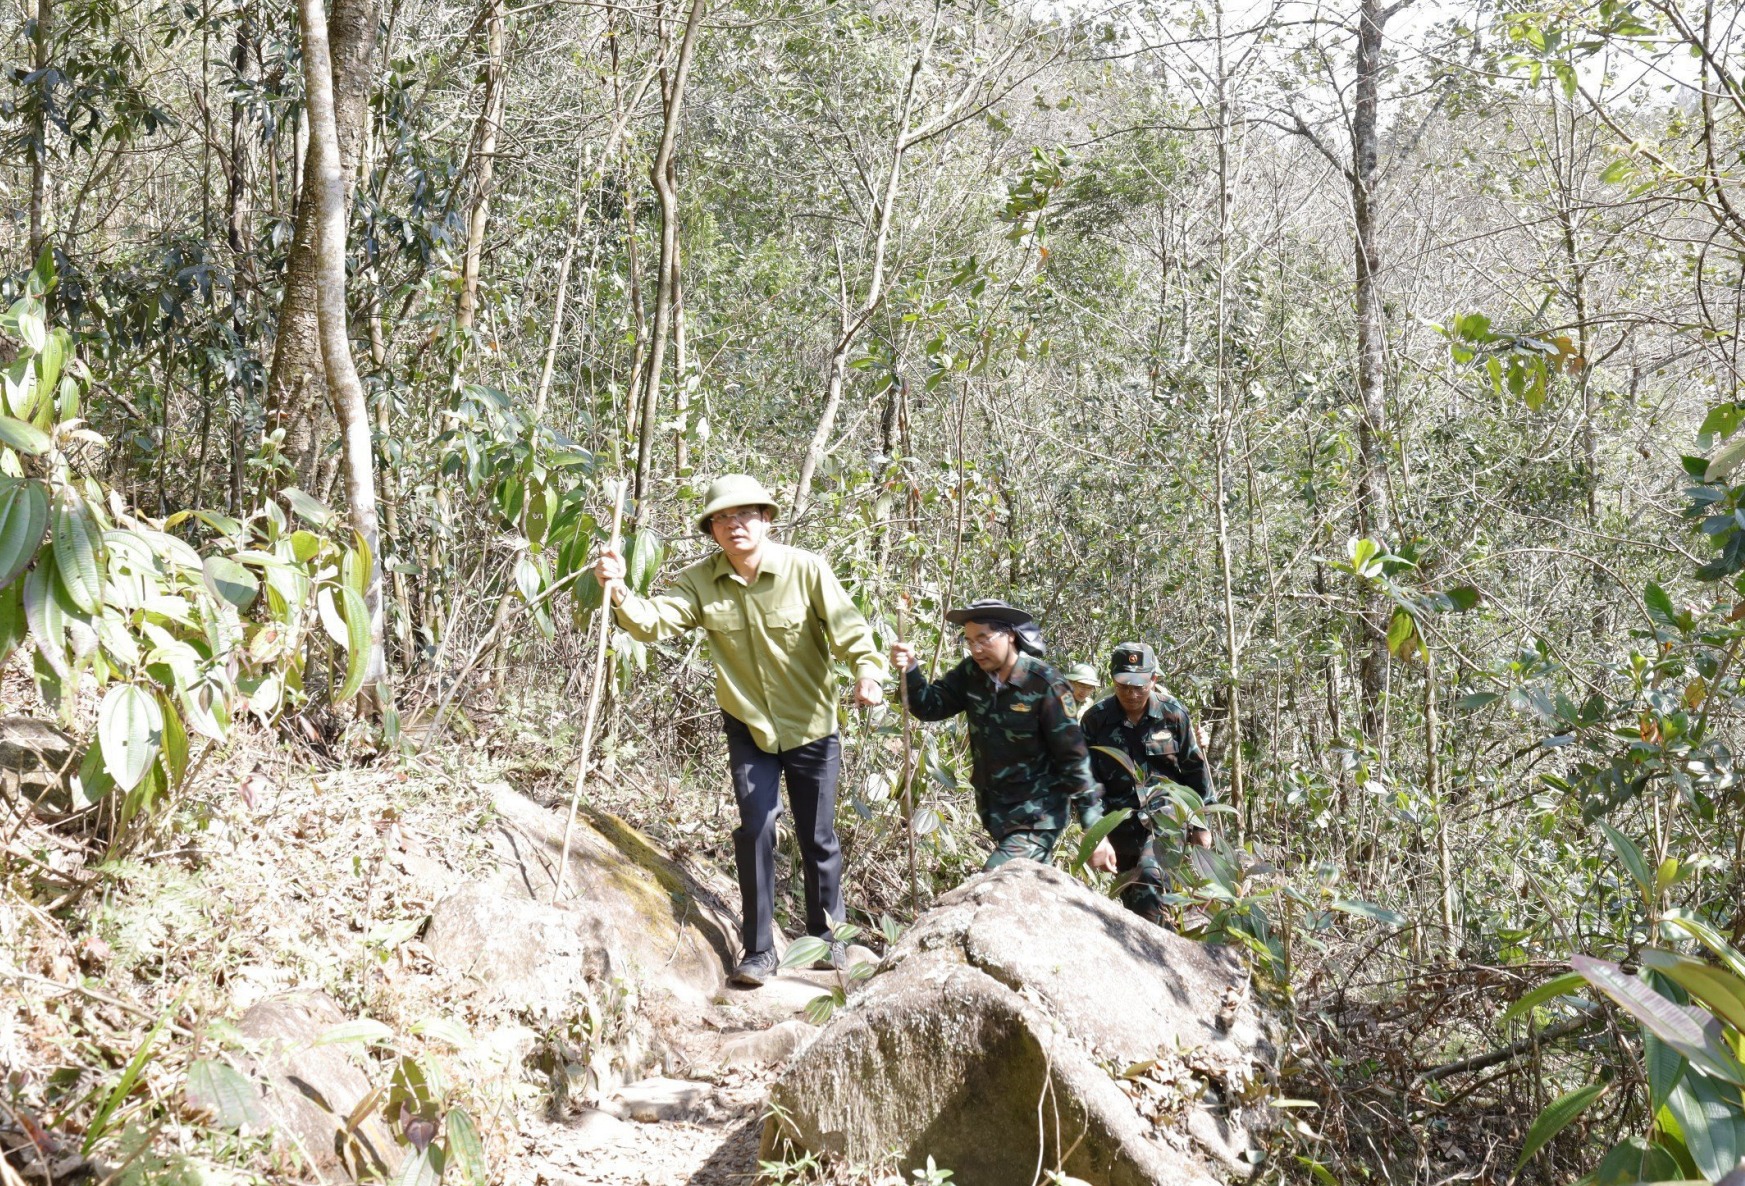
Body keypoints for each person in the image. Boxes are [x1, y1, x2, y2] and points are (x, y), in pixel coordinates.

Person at [594, 474, 884, 987]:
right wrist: (617, 593)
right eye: (722, 519)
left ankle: (830, 939)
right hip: (748, 727)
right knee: (755, 829)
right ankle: (759, 950)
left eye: (744, 515)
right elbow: (655, 620)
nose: (734, 526)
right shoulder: (700, 581)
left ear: (766, 519)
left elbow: (851, 630)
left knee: (818, 836)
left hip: (812, 723)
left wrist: (867, 671)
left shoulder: (805, 569)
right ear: (712, 531)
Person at [888, 600, 1115, 872]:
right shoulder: (971, 674)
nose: (976, 649)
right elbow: (929, 706)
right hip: (997, 810)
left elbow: (1073, 758)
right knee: (1028, 890)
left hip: (1037, 817)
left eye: (983, 639)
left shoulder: (1045, 684)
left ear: (1009, 635)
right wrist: (911, 669)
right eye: (969, 641)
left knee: (994, 878)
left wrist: (1094, 830)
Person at [1079, 642, 1215, 926]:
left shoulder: (1172, 714)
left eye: (1140, 685)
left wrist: (1202, 824)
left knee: (1150, 881)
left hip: (1166, 820)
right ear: (1113, 679)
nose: (1131, 693)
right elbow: (1086, 782)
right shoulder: (1096, 720)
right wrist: (1095, 833)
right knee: (1135, 906)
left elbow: (1195, 770)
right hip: (1120, 826)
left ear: (1154, 679)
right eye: (1124, 685)